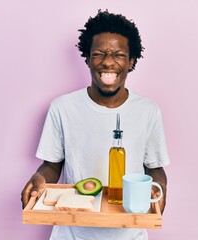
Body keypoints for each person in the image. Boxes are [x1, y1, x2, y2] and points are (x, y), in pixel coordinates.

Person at [21, 10, 170, 240]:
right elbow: (51, 165)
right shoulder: (63, 107)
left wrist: (159, 190)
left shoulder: (148, 111)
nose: (108, 62)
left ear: (131, 61)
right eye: (99, 53)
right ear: (88, 59)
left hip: (129, 234)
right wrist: (40, 179)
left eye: (118, 54)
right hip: (70, 233)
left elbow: (155, 168)